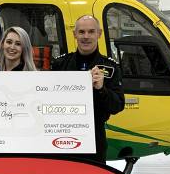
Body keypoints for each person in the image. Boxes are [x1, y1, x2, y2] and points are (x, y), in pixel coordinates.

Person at [51, 15, 125, 162]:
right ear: (74, 34)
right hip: (62, 138)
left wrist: (102, 89)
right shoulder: (60, 65)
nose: (86, 36)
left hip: (94, 139)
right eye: (81, 32)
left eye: (91, 32)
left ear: (99, 34)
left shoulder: (110, 68)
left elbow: (118, 105)